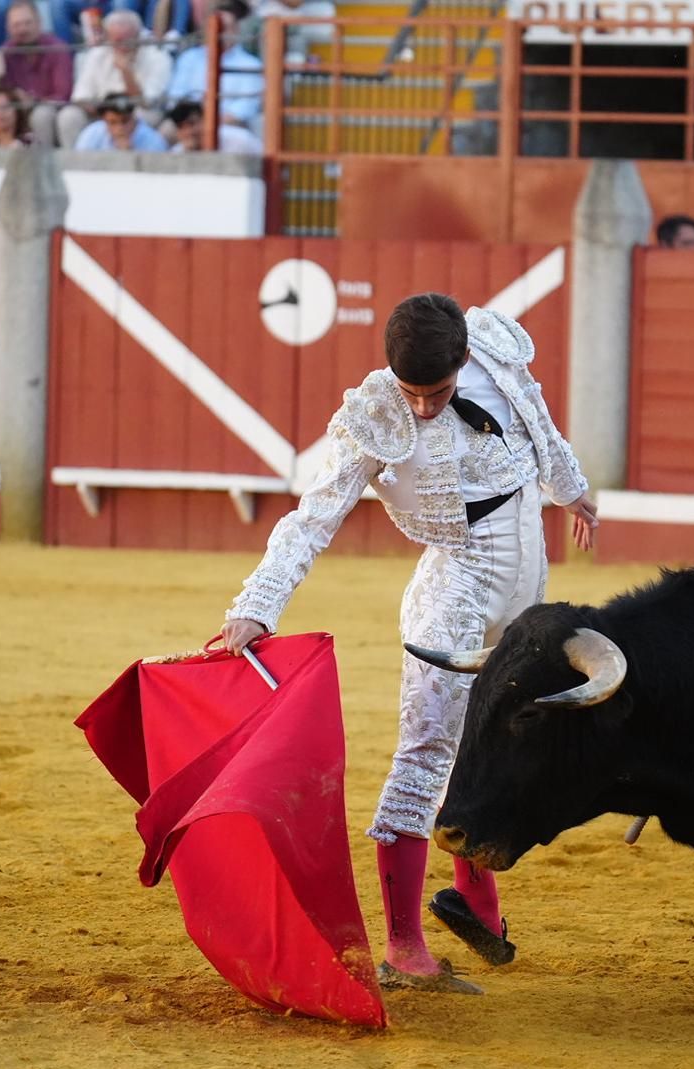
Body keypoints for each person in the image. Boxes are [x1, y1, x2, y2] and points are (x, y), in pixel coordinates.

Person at [217, 293, 595, 995]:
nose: (422, 408)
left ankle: (475, 901)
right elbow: (312, 518)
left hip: (527, 570)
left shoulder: (496, 351)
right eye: (410, 392)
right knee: (427, 750)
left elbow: (538, 425)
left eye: (438, 392)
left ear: (464, 358)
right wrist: (256, 607)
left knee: (503, 740)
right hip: (453, 588)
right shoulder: (374, 415)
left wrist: (573, 491)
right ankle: (404, 946)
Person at [58, 7, 170, 150]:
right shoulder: (97, 55)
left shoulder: (157, 58)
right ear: (108, 38)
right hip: (102, 115)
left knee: (143, 115)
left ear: (138, 36)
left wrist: (125, 72)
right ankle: (72, 165)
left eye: (128, 40)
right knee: (69, 116)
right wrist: (108, 113)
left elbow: (147, 103)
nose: (123, 46)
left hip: (136, 115)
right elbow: (81, 97)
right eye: (117, 40)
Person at [166, 0, 262, 138]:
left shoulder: (251, 65)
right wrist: (194, 121)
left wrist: (211, 123)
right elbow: (175, 96)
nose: (220, 33)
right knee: (164, 132)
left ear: (236, 30)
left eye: (225, 28)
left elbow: (246, 106)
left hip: (230, 125)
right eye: (216, 28)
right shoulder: (189, 58)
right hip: (187, 122)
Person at [0, 0, 69, 146]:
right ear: (8, 28)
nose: (22, 29)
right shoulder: (4, 54)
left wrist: (34, 101)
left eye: (27, 23)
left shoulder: (58, 49)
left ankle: (43, 166)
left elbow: (63, 95)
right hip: (19, 113)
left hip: (53, 111)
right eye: (16, 25)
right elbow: (3, 92)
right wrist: (15, 98)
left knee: (41, 114)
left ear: (39, 23)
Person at [73, 90, 165, 149]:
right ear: (104, 120)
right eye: (113, 122)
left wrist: (129, 154)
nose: (120, 127)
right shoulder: (91, 134)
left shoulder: (153, 140)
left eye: (125, 121)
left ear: (134, 118)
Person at [166, 97, 259, 153]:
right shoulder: (177, 153)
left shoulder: (241, 141)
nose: (188, 132)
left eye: (192, 124)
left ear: (206, 121)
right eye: (181, 127)